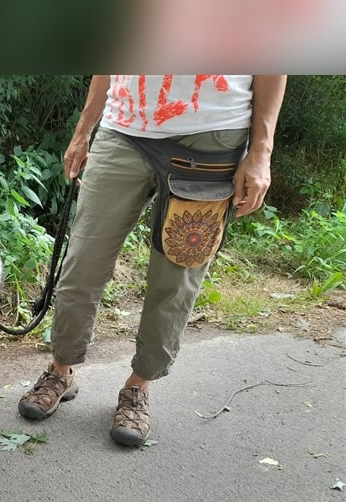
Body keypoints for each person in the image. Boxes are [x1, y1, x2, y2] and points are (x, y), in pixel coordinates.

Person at [18, 75, 287, 446]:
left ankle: (138, 386)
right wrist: (84, 130)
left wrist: (262, 151)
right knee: (82, 264)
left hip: (212, 135)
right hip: (124, 128)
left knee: (175, 279)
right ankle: (61, 370)